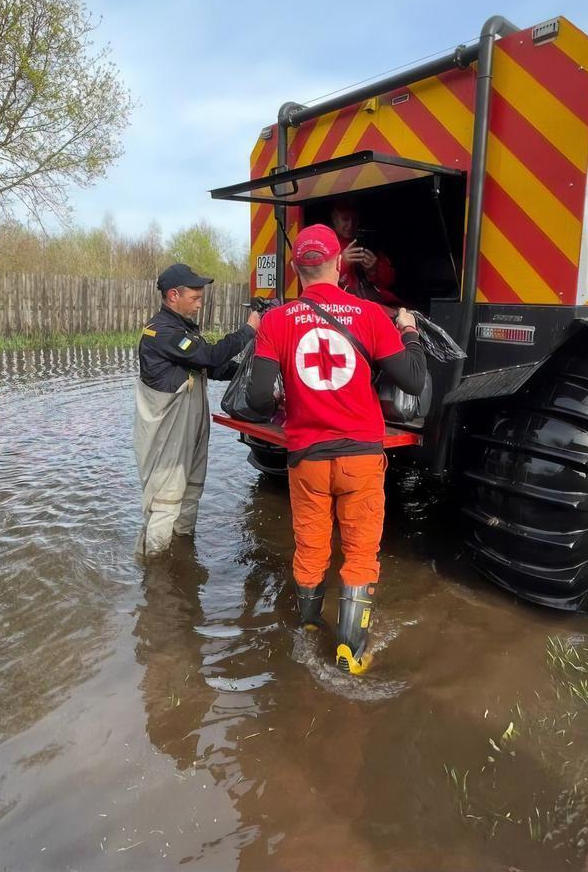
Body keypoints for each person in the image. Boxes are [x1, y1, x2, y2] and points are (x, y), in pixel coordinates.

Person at [245, 224, 425, 675]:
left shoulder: (275, 321)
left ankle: (307, 627)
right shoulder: (369, 315)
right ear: (338, 263)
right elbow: (413, 380)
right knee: (361, 551)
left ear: (295, 268)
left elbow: (257, 399)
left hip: (308, 458)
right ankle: (351, 650)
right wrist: (409, 332)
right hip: (361, 457)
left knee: (310, 545)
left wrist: (287, 394)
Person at [134, 262, 260, 555]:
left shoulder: (181, 329)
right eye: (195, 297)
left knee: (190, 491)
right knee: (165, 501)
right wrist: (248, 330)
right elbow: (208, 355)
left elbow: (213, 367)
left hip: (188, 430)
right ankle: (155, 573)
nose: (200, 304)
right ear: (173, 295)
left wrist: (249, 373)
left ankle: (180, 557)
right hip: (168, 435)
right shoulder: (161, 332)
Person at [328, 200, 401, 305]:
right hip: (341, 304)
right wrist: (342, 263)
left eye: (355, 220)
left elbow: (389, 280)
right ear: (334, 219)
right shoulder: (327, 243)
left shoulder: (367, 243)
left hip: (374, 303)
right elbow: (317, 278)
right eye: (345, 219)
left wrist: (374, 270)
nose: (350, 225)